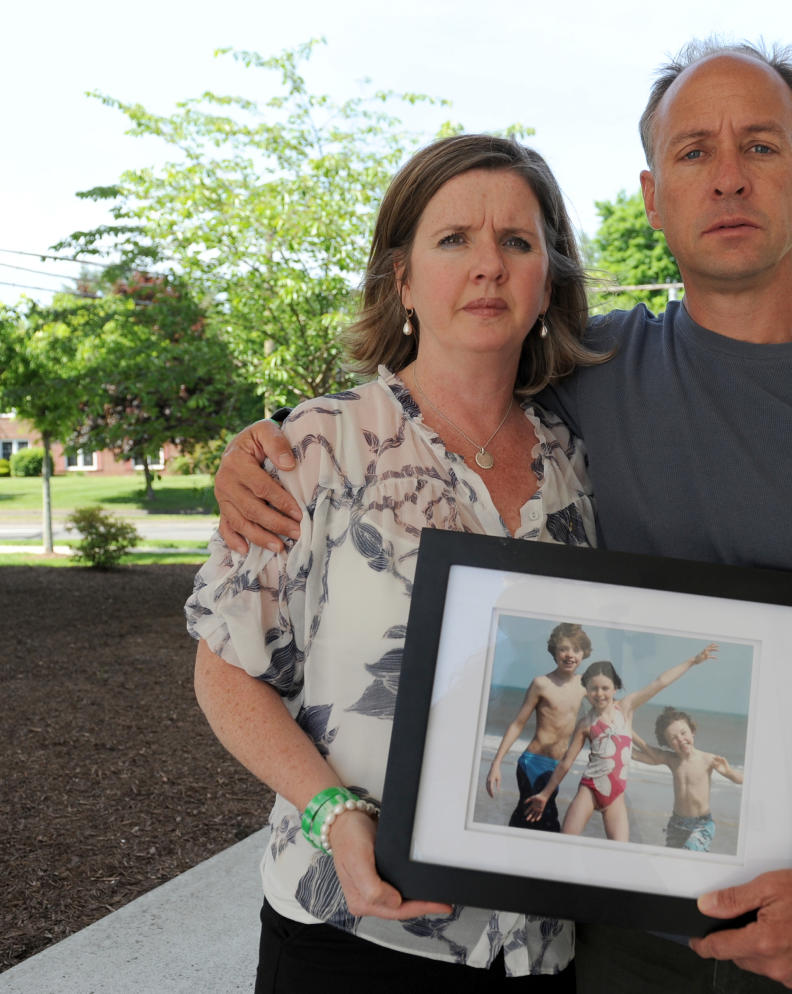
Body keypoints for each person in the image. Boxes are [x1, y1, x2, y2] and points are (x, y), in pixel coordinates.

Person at [211, 39, 792, 994]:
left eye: (759, 148)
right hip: (621, 951)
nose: (726, 179)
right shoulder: (591, 375)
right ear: (650, 196)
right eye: (692, 153)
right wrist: (260, 447)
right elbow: (448, 377)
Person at [186, 133, 613, 992]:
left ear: (548, 283)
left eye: (517, 242)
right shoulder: (314, 447)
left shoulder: (587, 460)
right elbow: (227, 675)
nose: (487, 266)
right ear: (403, 280)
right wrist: (333, 812)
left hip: (543, 944)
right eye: (454, 239)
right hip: (357, 933)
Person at [524, 645, 719, 841]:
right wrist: (545, 794)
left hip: (616, 796)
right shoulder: (585, 724)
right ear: (586, 689)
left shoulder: (625, 708)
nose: (599, 693)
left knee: (619, 851)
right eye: (593, 688)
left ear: (615, 688)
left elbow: (660, 682)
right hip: (589, 789)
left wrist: (693, 661)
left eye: (605, 688)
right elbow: (566, 762)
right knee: (565, 841)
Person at [485, 622, 591, 831]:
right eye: (564, 648)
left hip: (557, 768)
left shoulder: (585, 686)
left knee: (532, 821)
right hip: (533, 763)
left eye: (576, 649)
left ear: (584, 653)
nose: (570, 655)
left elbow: (604, 712)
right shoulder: (541, 684)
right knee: (543, 820)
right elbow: (517, 724)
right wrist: (496, 763)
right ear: (554, 651)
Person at [633, 706, 744, 852]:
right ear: (667, 744)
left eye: (683, 733)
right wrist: (625, 730)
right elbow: (642, 753)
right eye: (673, 738)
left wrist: (728, 772)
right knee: (674, 861)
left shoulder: (708, 759)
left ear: (692, 732)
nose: (680, 739)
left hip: (702, 824)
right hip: (676, 824)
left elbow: (740, 780)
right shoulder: (672, 760)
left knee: (688, 854)